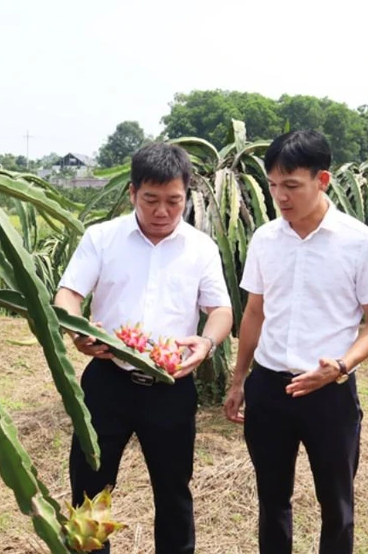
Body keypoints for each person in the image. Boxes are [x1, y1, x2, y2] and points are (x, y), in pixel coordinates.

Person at [54, 142, 234, 553]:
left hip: (171, 386)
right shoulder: (102, 238)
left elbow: (221, 310)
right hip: (107, 381)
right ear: (132, 192)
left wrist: (207, 342)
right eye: (151, 200)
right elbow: (68, 294)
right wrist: (78, 329)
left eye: (174, 201)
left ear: (187, 196)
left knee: (174, 492)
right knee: (89, 488)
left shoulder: (201, 248)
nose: (162, 212)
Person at [223, 129, 368, 553]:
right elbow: (255, 312)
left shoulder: (360, 243)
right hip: (269, 388)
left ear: (323, 180)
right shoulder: (265, 239)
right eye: (273, 185)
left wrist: (340, 366)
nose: (280, 197)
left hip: (329, 391)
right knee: (272, 500)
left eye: (292, 186)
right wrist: (240, 378)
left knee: (336, 503)